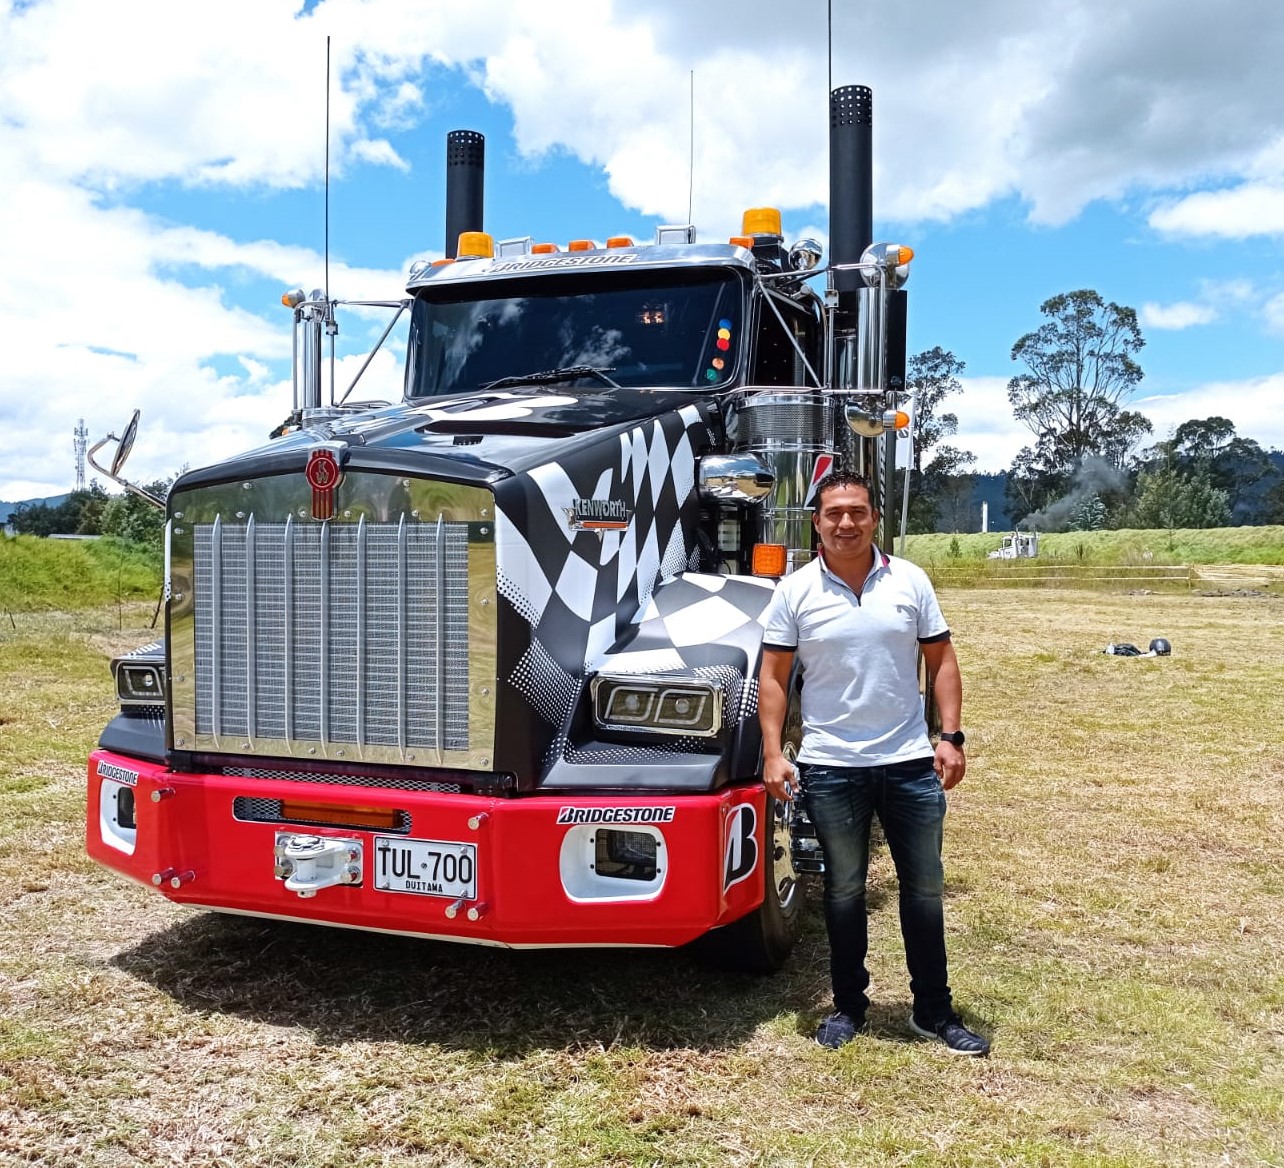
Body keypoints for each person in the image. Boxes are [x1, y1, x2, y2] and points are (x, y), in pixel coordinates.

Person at [757, 470, 989, 1056]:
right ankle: (848, 1006)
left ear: (874, 518)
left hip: (909, 760)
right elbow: (775, 678)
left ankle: (933, 1011)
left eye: (857, 511)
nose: (846, 523)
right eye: (834, 512)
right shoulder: (795, 591)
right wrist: (772, 752)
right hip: (831, 764)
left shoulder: (909, 580)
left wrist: (951, 736)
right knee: (843, 890)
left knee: (925, 889)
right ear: (817, 521)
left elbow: (942, 661)